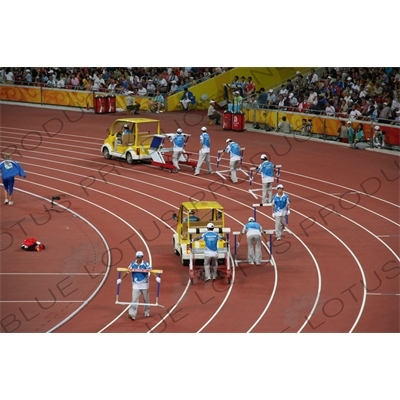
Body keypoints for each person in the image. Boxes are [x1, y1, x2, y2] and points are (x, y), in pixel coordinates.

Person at [127, 251, 160, 320]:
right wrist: (120, 279)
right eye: (137, 257)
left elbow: (151, 271)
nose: (138, 258)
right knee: (134, 300)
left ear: (142, 257)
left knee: (146, 299)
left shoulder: (146, 264)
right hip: (135, 285)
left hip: (144, 285)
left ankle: (147, 311)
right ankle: (132, 314)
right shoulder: (132, 264)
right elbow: (127, 271)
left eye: (140, 257)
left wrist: (156, 277)